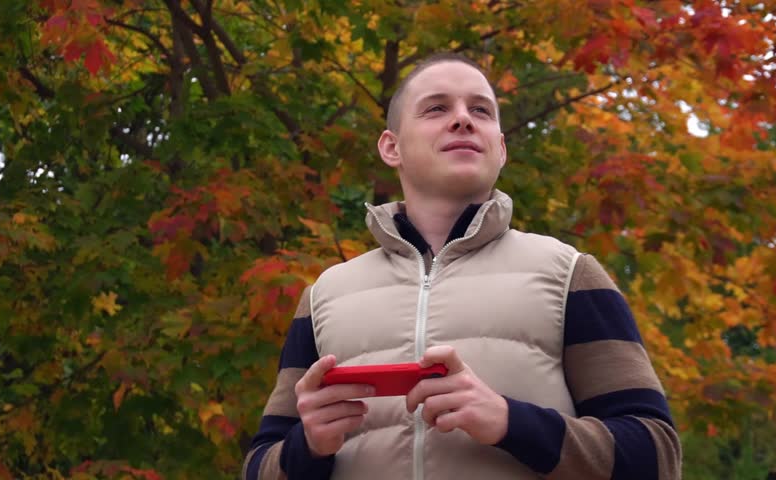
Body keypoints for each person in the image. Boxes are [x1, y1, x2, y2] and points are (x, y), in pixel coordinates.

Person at [242, 52, 681, 480]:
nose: (463, 119)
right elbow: (259, 464)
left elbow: (657, 456)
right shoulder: (324, 295)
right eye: (436, 108)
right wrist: (308, 448)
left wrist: (509, 421)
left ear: (501, 149)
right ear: (391, 147)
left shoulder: (570, 273)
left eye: (481, 110)